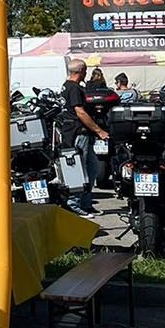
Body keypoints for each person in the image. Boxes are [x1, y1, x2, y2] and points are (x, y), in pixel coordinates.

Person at [59, 58, 107, 219]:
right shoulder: (74, 88)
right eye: (85, 71)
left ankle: (86, 203)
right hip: (78, 133)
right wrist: (99, 131)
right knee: (79, 170)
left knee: (92, 168)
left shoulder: (66, 86)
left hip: (76, 132)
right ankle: (73, 204)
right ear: (81, 72)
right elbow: (80, 112)